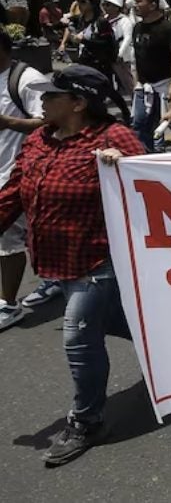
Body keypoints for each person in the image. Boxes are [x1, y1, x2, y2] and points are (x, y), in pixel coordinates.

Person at [0, 65, 143, 465]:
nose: (42, 102)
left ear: (78, 103)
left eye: (51, 96)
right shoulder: (38, 140)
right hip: (53, 261)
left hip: (95, 262)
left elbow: (154, 188)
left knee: (78, 339)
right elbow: (13, 193)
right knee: (120, 322)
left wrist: (125, 168)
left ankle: (87, 421)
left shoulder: (113, 138)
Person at [0, 27, 46, 331]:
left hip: (17, 173)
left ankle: (9, 304)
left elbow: (50, 120)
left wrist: (6, 122)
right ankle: (54, 277)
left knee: (8, 240)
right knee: (35, 232)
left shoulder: (28, 78)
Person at [131, 0, 171, 153]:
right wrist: (136, 82)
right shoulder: (137, 28)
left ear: (153, 5)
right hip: (143, 86)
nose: (135, 5)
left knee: (161, 125)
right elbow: (137, 57)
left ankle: (157, 155)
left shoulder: (168, 28)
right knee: (139, 122)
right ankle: (142, 154)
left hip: (163, 84)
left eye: (140, 1)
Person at [100, 0, 135, 99]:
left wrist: (120, 54)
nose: (105, 7)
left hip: (121, 55)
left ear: (116, 7)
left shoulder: (124, 20)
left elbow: (127, 38)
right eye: (104, 4)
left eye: (108, 5)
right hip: (107, 53)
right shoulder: (104, 19)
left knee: (127, 82)